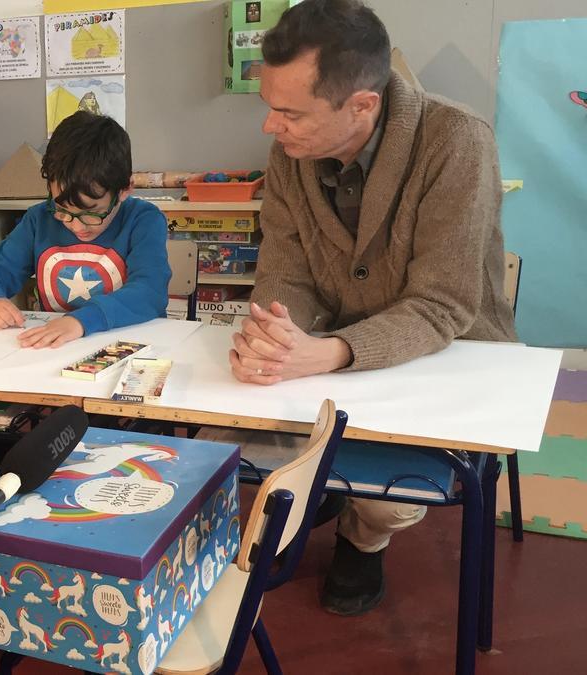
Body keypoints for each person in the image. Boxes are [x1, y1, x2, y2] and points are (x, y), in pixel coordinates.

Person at [221, 0, 516, 616]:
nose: (270, 128)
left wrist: (329, 352)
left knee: (388, 495)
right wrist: (275, 332)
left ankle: (364, 535)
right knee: (235, 437)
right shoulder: (292, 156)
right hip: (332, 344)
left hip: (449, 353)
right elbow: (286, 270)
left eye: (289, 111)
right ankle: (325, 494)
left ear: (363, 104)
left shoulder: (457, 142)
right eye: (268, 105)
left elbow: (442, 305)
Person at [0, 110, 171, 350]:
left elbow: (150, 292)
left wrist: (80, 320)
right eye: (62, 209)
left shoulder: (143, 220)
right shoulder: (38, 219)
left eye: (92, 213)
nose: (75, 225)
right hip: (55, 351)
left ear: (124, 190)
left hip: (129, 345)